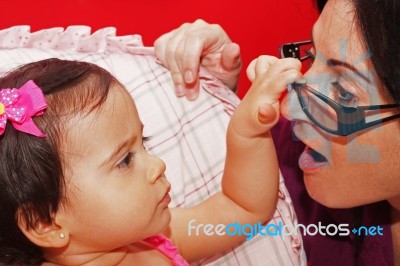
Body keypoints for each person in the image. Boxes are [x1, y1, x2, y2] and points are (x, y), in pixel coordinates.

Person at [154, 0, 400, 265]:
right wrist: (217, 96)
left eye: (344, 93)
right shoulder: (300, 159)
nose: (288, 109)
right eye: (313, 56)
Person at [0, 54, 301, 265]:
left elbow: (242, 209)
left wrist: (246, 131)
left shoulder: (155, 240)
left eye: (142, 143)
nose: (157, 165)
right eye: (124, 161)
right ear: (45, 223)